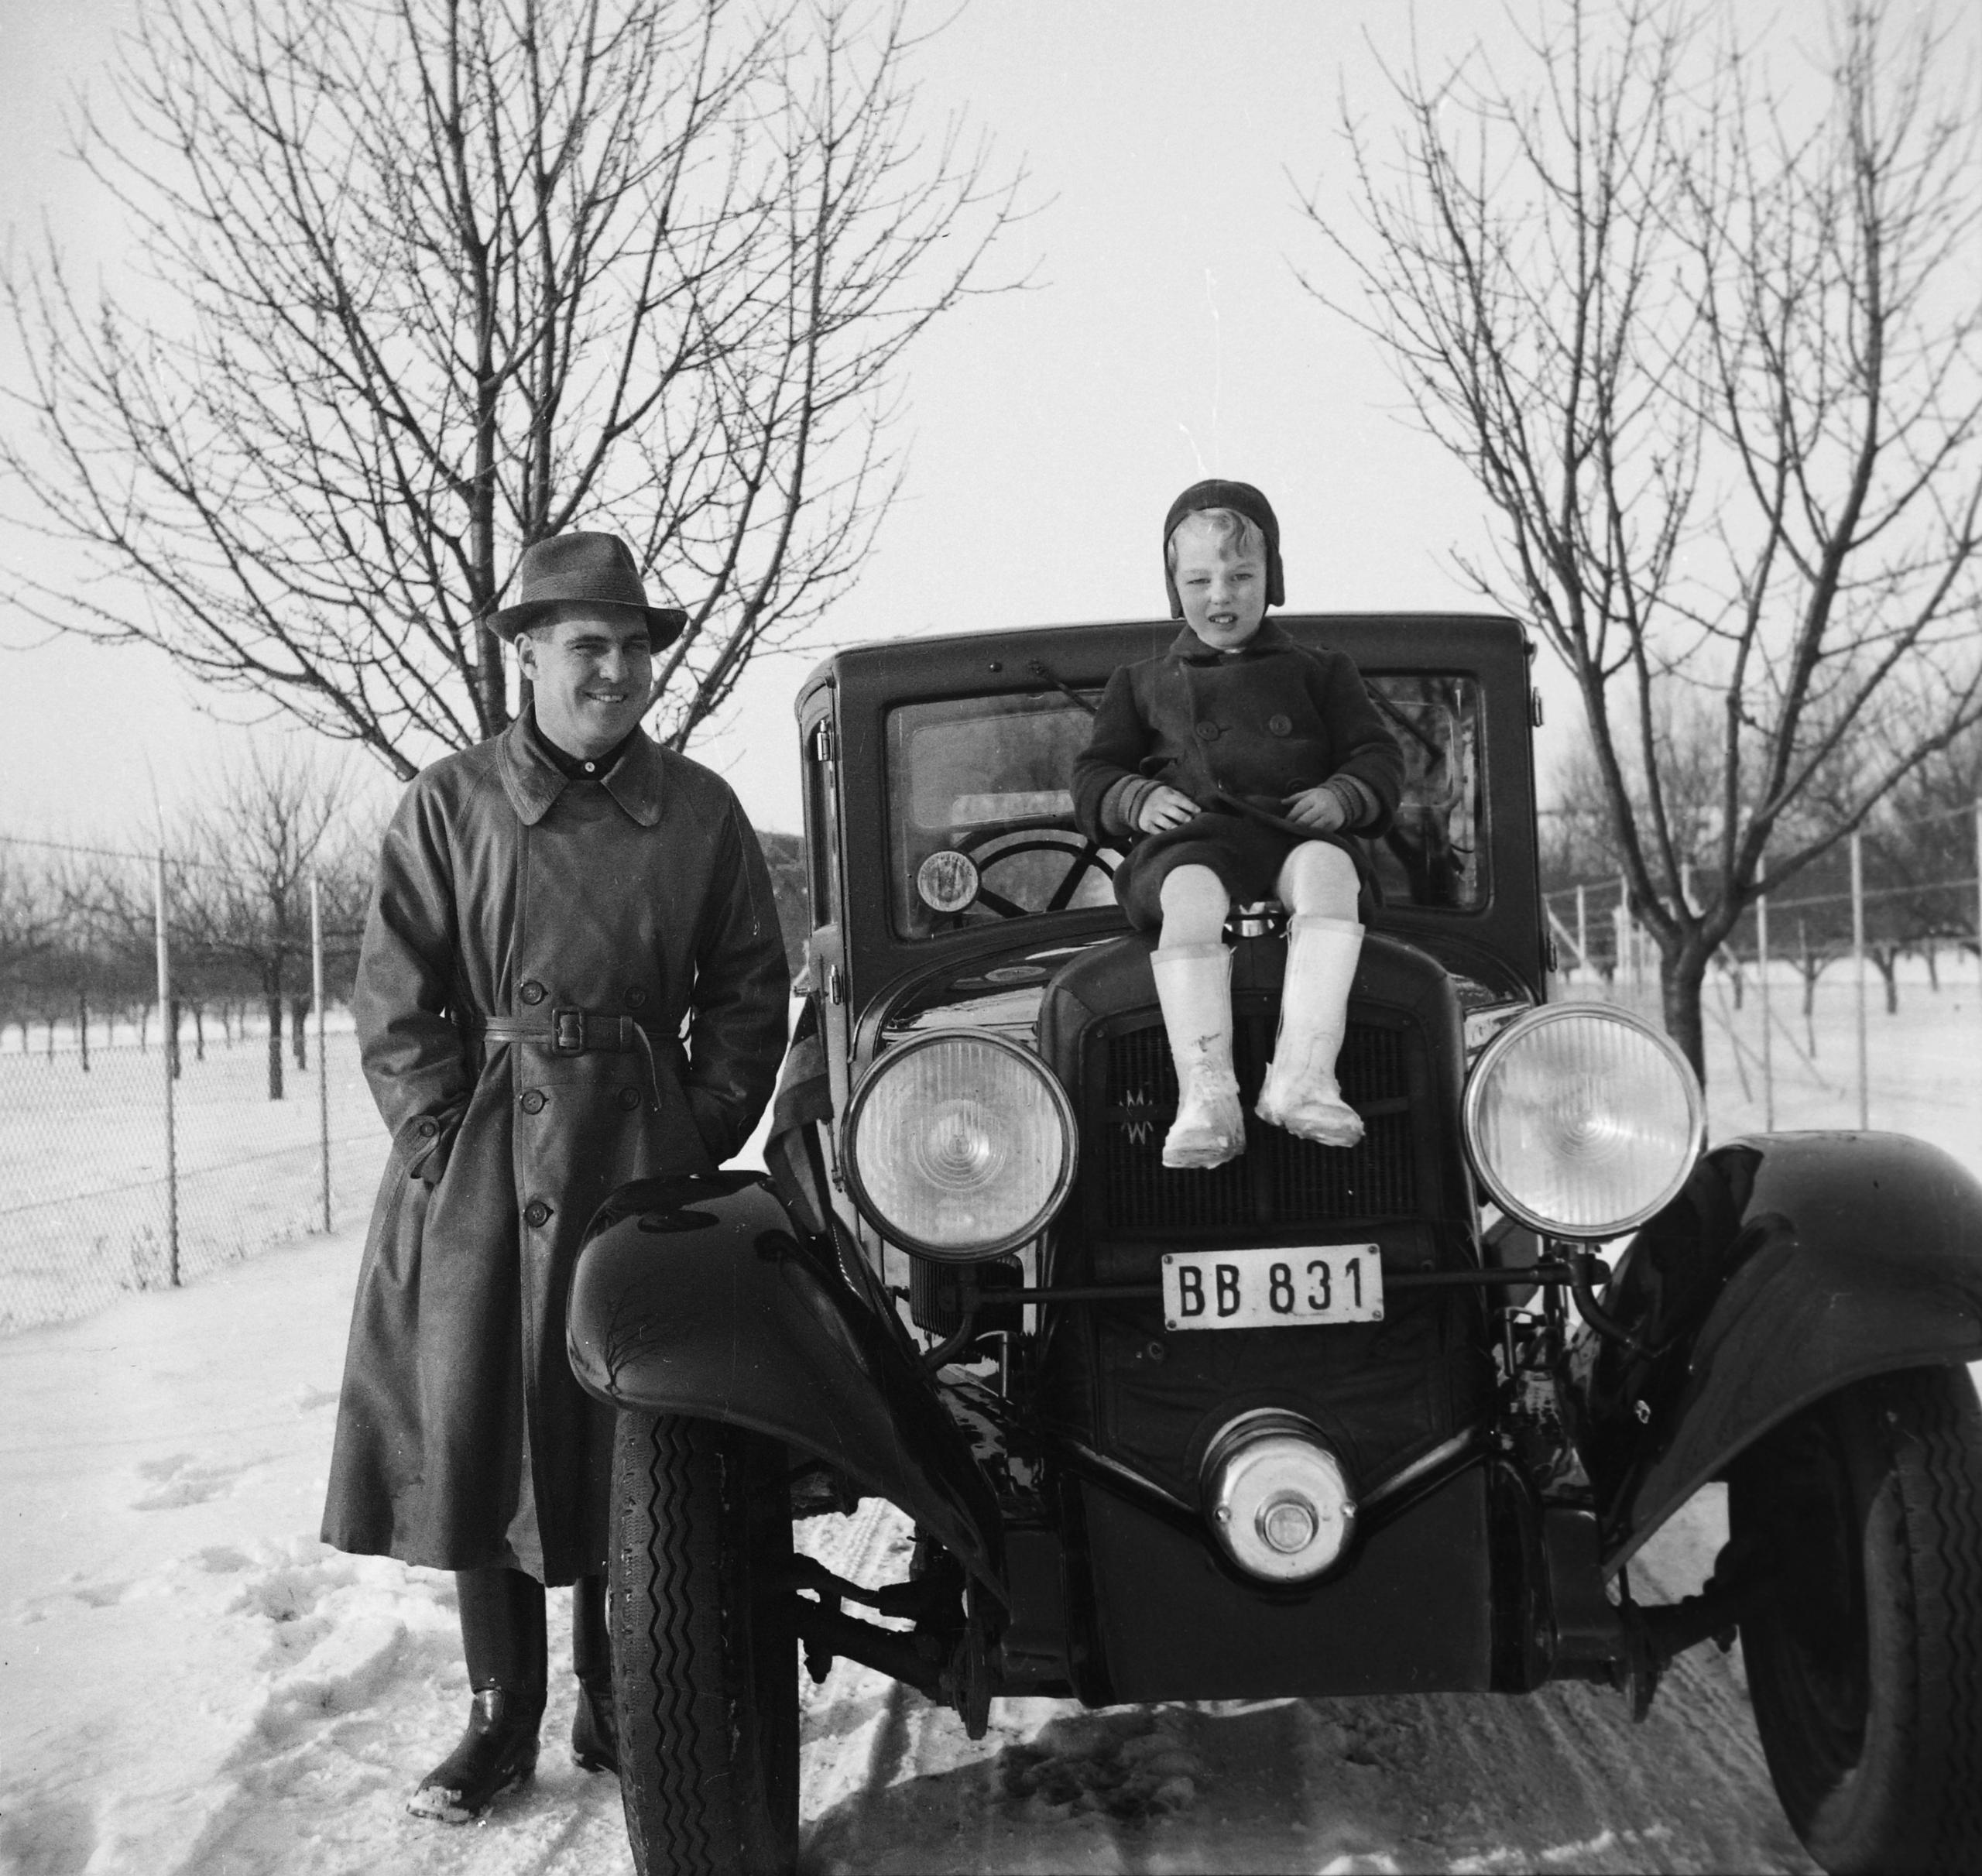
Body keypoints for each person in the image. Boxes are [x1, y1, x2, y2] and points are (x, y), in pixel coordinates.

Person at [319, 532, 791, 1823]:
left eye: (635, 645)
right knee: (487, 1432)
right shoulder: (448, 803)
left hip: (639, 1161)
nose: (619, 668)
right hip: (482, 1169)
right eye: (590, 644)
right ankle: (496, 1716)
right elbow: (396, 998)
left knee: (633, 1429)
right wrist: (437, 1143)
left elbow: (754, 994)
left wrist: (688, 1130)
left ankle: (618, 1696)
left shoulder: (699, 810)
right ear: (524, 651)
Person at [1072, 479, 1404, 1171]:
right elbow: (1093, 774)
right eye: (1199, 579)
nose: (1220, 595)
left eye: (1241, 575)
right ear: (1174, 586)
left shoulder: (1321, 671)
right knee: (1188, 896)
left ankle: (1305, 1074)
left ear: (1271, 578)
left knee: (1331, 871)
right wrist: (1133, 799)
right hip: (1194, 843)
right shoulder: (1140, 682)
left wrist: (1344, 796)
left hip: (1292, 832)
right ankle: (1207, 1092)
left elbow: (1378, 754)